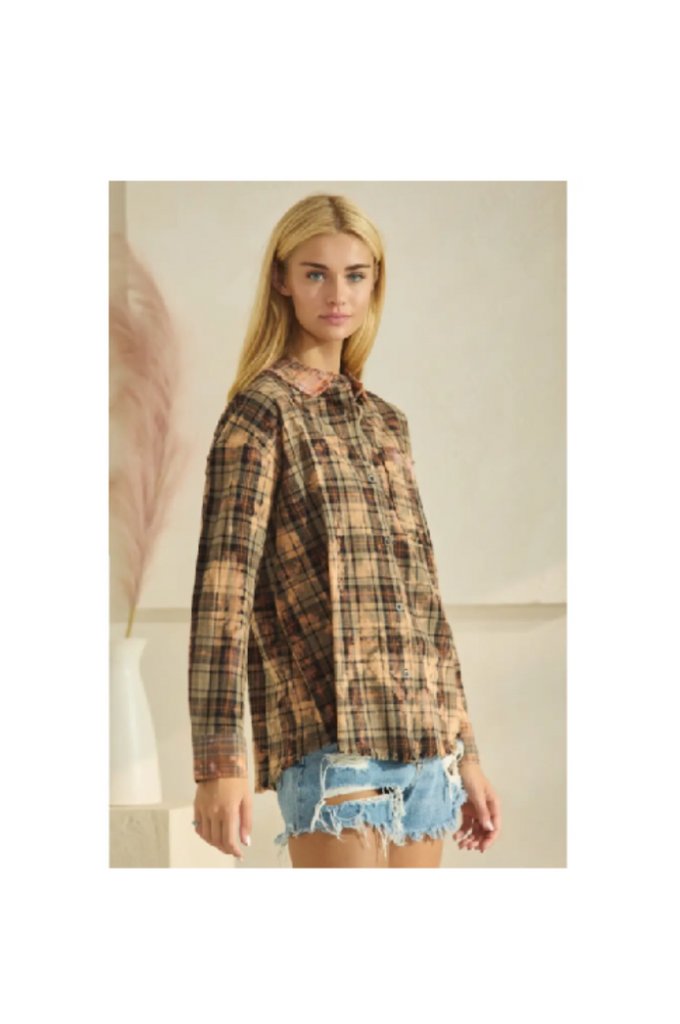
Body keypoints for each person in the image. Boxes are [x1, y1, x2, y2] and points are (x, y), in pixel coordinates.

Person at [189, 192, 502, 868]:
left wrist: (467, 754)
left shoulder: (386, 422)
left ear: (374, 282)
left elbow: (425, 606)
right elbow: (222, 596)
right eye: (316, 273)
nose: (337, 294)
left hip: (425, 747)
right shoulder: (260, 413)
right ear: (282, 280)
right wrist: (219, 763)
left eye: (355, 275)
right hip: (332, 745)